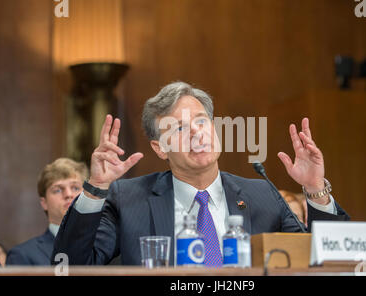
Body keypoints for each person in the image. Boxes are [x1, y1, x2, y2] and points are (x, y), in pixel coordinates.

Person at [52, 81, 350, 266]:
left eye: (201, 122)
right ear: (160, 148)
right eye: (179, 128)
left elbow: (323, 262)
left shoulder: (261, 195)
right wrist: (95, 189)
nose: (196, 133)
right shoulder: (129, 199)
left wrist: (315, 190)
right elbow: (69, 265)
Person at [6, 158, 88, 265]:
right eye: (57, 190)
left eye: (75, 188)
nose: (68, 194)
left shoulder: (106, 248)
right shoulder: (23, 255)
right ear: (44, 203)